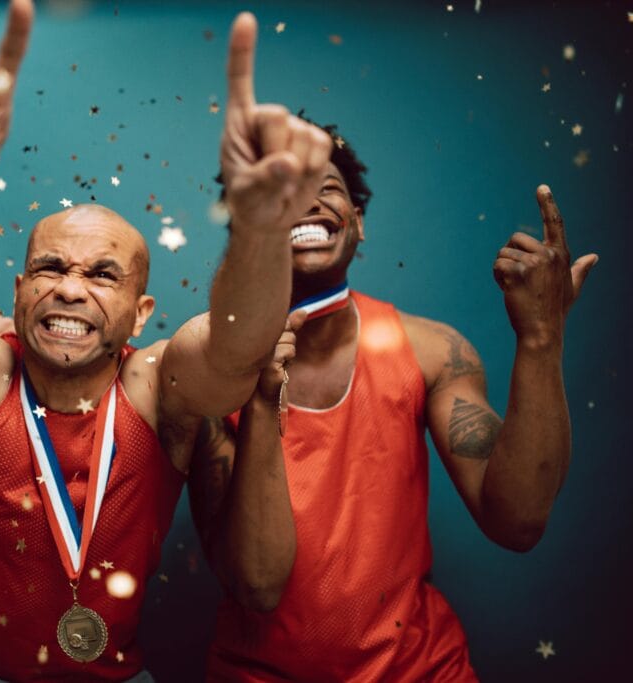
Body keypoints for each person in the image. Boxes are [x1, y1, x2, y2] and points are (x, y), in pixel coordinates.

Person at [0, 9, 332, 681]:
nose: (71, 290)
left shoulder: (156, 385)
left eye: (102, 274)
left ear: (141, 314)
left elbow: (235, 352)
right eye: (51, 268)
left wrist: (259, 230)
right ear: (19, 290)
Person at [189, 80, 599, 683]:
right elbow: (255, 584)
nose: (306, 203)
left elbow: (517, 522)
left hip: (422, 671)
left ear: (358, 223)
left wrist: (542, 340)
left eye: (326, 188)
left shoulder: (433, 350)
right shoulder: (203, 372)